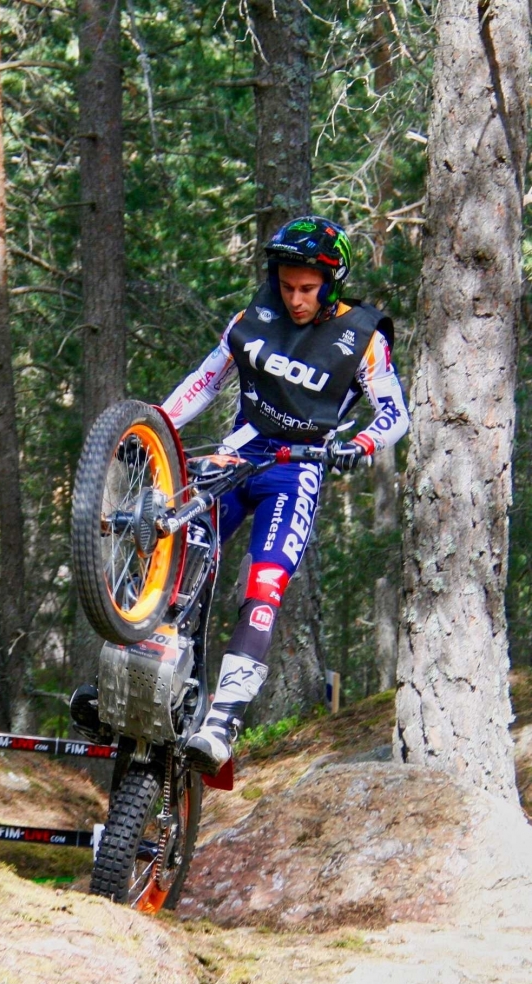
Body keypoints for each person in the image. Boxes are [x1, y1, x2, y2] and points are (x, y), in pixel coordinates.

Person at [160, 215, 410, 775]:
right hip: (240, 452)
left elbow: (395, 412)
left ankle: (223, 720)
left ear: (332, 282)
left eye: (307, 288)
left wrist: (363, 442)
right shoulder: (253, 316)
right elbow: (205, 380)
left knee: (265, 583)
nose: (295, 299)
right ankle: (153, 670)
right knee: (182, 551)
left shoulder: (364, 338)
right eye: (287, 285)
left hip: (298, 467)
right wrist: (154, 426)